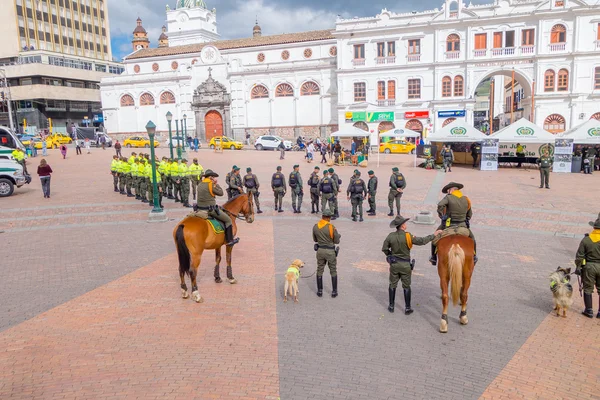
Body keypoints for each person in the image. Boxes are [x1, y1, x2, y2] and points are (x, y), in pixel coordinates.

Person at [382, 216, 441, 314]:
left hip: (394, 265)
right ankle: (407, 308)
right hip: (405, 265)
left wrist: (390, 256)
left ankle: (391, 306)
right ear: (402, 226)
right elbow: (422, 241)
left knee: (392, 284)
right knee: (406, 286)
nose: (406, 225)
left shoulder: (390, 236)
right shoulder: (408, 236)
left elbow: (384, 249)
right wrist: (434, 235)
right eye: (405, 223)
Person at [429, 182, 477, 265]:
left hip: (448, 225)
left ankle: (433, 258)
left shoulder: (448, 197)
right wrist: (466, 218)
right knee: (472, 239)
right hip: (462, 225)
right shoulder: (466, 199)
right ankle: (474, 257)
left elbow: (440, 204)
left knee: (434, 239)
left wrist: (441, 215)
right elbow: (469, 214)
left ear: (451, 190)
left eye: (448, 190)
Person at [195, 169, 239, 247]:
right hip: (210, 210)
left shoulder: (200, 184)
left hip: (199, 209)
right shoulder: (210, 184)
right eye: (213, 177)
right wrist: (216, 184)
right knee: (228, 220)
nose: (214, 178)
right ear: (211, 177)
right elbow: (221, 193)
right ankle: (229, 240)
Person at [575, 213, 600, 318]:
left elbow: (579, 256)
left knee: (588, 289)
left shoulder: (586, 239)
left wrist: (578, 267)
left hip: (589, 267)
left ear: (594, 227)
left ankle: (589, 310)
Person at [312, 209, 341, 298]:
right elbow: (336, 241)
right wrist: (338, 236)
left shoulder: (316, 226)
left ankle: (320, 291)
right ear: (329, 218)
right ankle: (334, 291)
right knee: (333, 270)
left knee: (319, 269)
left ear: (322, 216)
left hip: (320, 251)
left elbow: (315, 239)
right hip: (330, 252)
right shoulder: (331, 227)